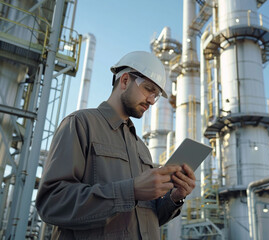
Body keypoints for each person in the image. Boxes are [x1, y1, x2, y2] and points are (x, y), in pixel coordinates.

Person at [36, 51, 196, 240]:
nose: (152, 101)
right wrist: (131, 191)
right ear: (125, 80)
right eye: (148, 89)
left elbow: (144, 220)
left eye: (156, 95)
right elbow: (52, 203)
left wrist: (174, 198)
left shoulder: (142, 148)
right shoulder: (80, 123)